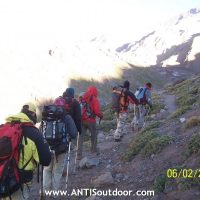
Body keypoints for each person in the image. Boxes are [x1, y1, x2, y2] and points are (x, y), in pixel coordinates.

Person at [1, 102, 51, 200]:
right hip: (20, 183)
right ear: (33, 114)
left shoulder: (4, 128)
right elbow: (46, 160)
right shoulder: (34, 133)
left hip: (2, 176)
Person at [42, 97, 78, 192]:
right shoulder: (66, 117)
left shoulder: (46, 115)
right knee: (57, 172)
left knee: (47, 169)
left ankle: (46, 192)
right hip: (61, 149)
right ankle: (54, 194)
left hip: (47, 148)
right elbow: (74, 133)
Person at [77, 86, 103, 159]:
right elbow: (97, 112)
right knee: (94, 135)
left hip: (82, 120)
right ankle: (93, 149)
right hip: (91, 121)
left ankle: (79, 154)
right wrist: (101, 115)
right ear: (95, 92)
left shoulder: (82, 98)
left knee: (81, 137)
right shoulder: (94, 99)